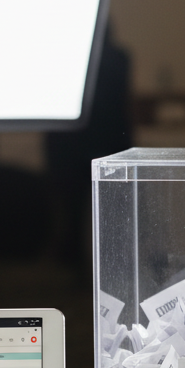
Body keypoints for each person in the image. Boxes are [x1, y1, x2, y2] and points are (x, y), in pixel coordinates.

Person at [46, 22, 132, 268]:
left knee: (72, 210)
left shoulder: (67, 59)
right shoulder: (120, 58)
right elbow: (123, 103)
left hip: (72, 142)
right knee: (111, 211)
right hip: (109, 141)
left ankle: (73, 263)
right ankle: (110, 264)